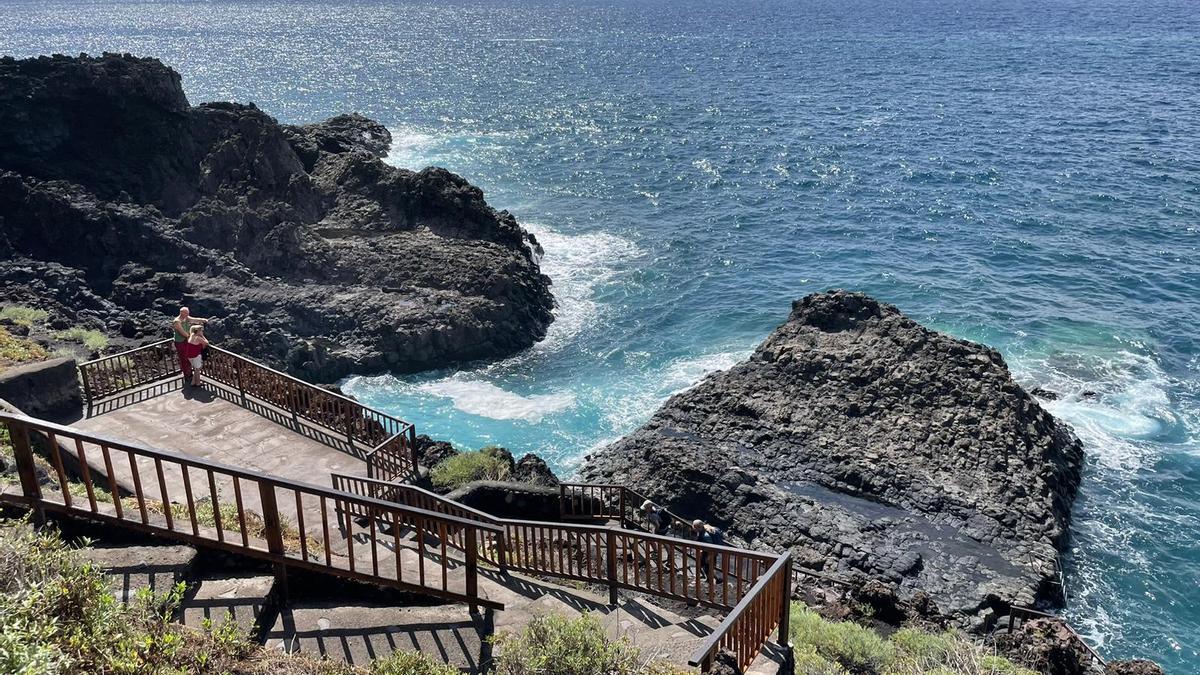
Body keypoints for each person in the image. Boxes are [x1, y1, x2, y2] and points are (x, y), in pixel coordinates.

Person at [172, 307, 211, 384]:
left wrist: (203, 320)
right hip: (180, 342)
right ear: (182, 313)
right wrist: (194, 338)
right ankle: (187, 375)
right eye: (186, 313)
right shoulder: (177, 321)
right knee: (184, 359)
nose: (188, 314)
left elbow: (194, 319)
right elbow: (182, 332)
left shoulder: (186, 318)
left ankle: (191, 376)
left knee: (188, 358)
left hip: (186, 341)